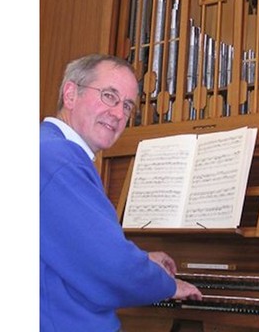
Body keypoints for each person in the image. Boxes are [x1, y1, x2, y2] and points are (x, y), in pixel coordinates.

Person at [40, 54, 203, 332]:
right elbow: (110, 268)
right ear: (70, 94)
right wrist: (168, 284)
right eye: (109, 96)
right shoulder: (58, 158)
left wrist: (140, 259)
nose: (118, 113)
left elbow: (75, 247)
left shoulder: (49, 148)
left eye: (127, 105)